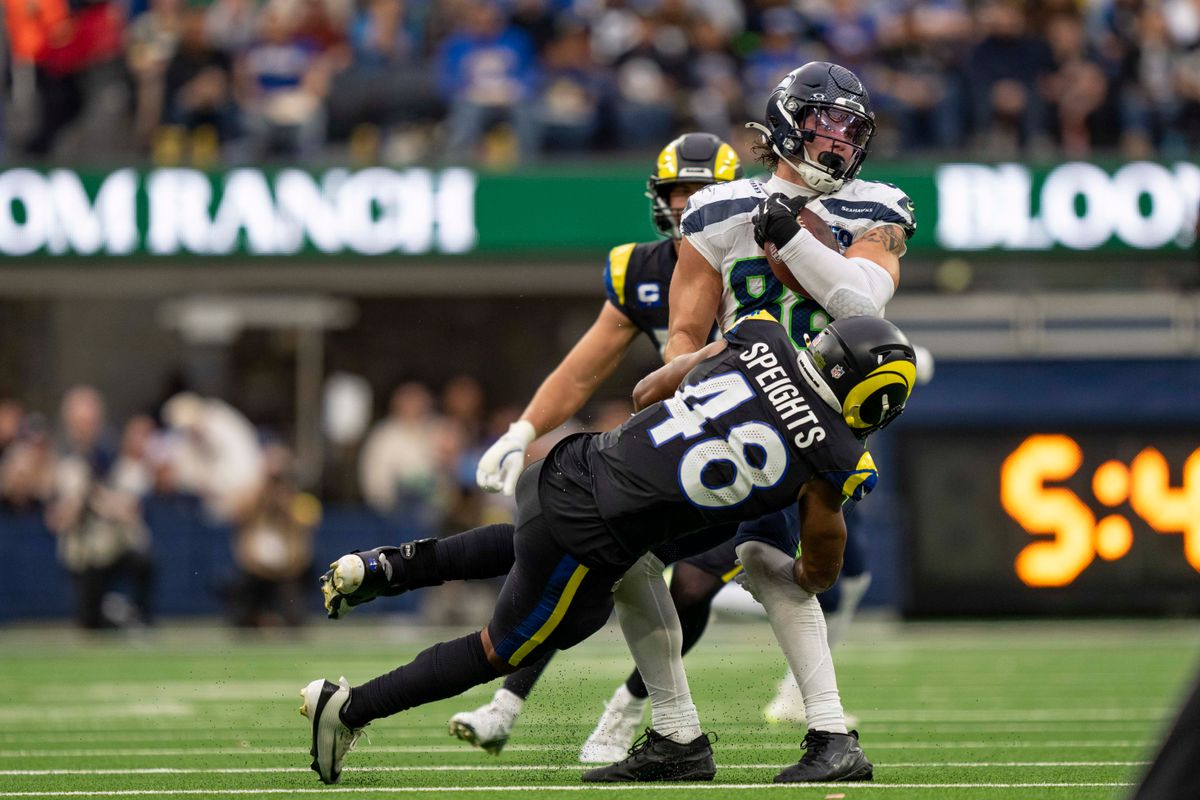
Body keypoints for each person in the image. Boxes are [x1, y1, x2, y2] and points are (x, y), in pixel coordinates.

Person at [303, 313, 918, 786]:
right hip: (593, 527)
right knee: (503, 648)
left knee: (560, 553)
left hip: (576, 461)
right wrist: (782, 560)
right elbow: (821, 571)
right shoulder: (836, 457)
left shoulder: (762, 335)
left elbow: (649, 389)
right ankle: (350, 709)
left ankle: (389, 567)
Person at [448, 130, 742, 762]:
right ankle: (506, 705)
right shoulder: (642, 271)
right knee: (581, 548)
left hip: (750, 448)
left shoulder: (755, 264)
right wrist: (523, 430)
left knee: (697, 585)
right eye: (678, 191)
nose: (687, 204)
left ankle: (630, 708)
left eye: (701, 191)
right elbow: (582, 371)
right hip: (680, 442)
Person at [663, 60, 917, 741]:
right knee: (682, 570)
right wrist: (688, 385)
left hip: (821, 421)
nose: (837, 142)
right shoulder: (716, 208)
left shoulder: (879, 205)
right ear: (784, 123)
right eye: (823, 125)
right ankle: (652, 719)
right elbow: (684, 332)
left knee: (807, 570)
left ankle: (788, 721)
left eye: (850, 131)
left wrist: (792, 235)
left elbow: (862, 304)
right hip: (736, 410)